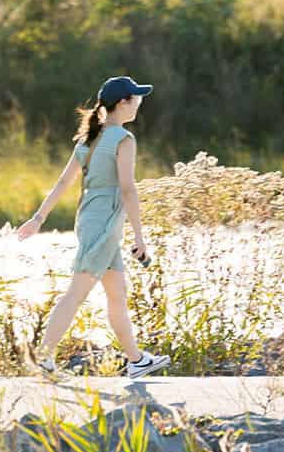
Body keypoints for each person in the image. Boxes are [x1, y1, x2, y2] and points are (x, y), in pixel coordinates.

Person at [16, 76, 171, 379]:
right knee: (76, 292)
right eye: (136, 98)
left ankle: (137, 360)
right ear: (123, 103)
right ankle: (43, 359)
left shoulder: (89, 140)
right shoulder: (124, 139)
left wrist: (39, 219)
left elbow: (64, 183)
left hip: (91, 219)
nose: (139, 103)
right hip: (105, 223)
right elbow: (128, 189)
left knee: (117, 295)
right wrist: (140, 237)